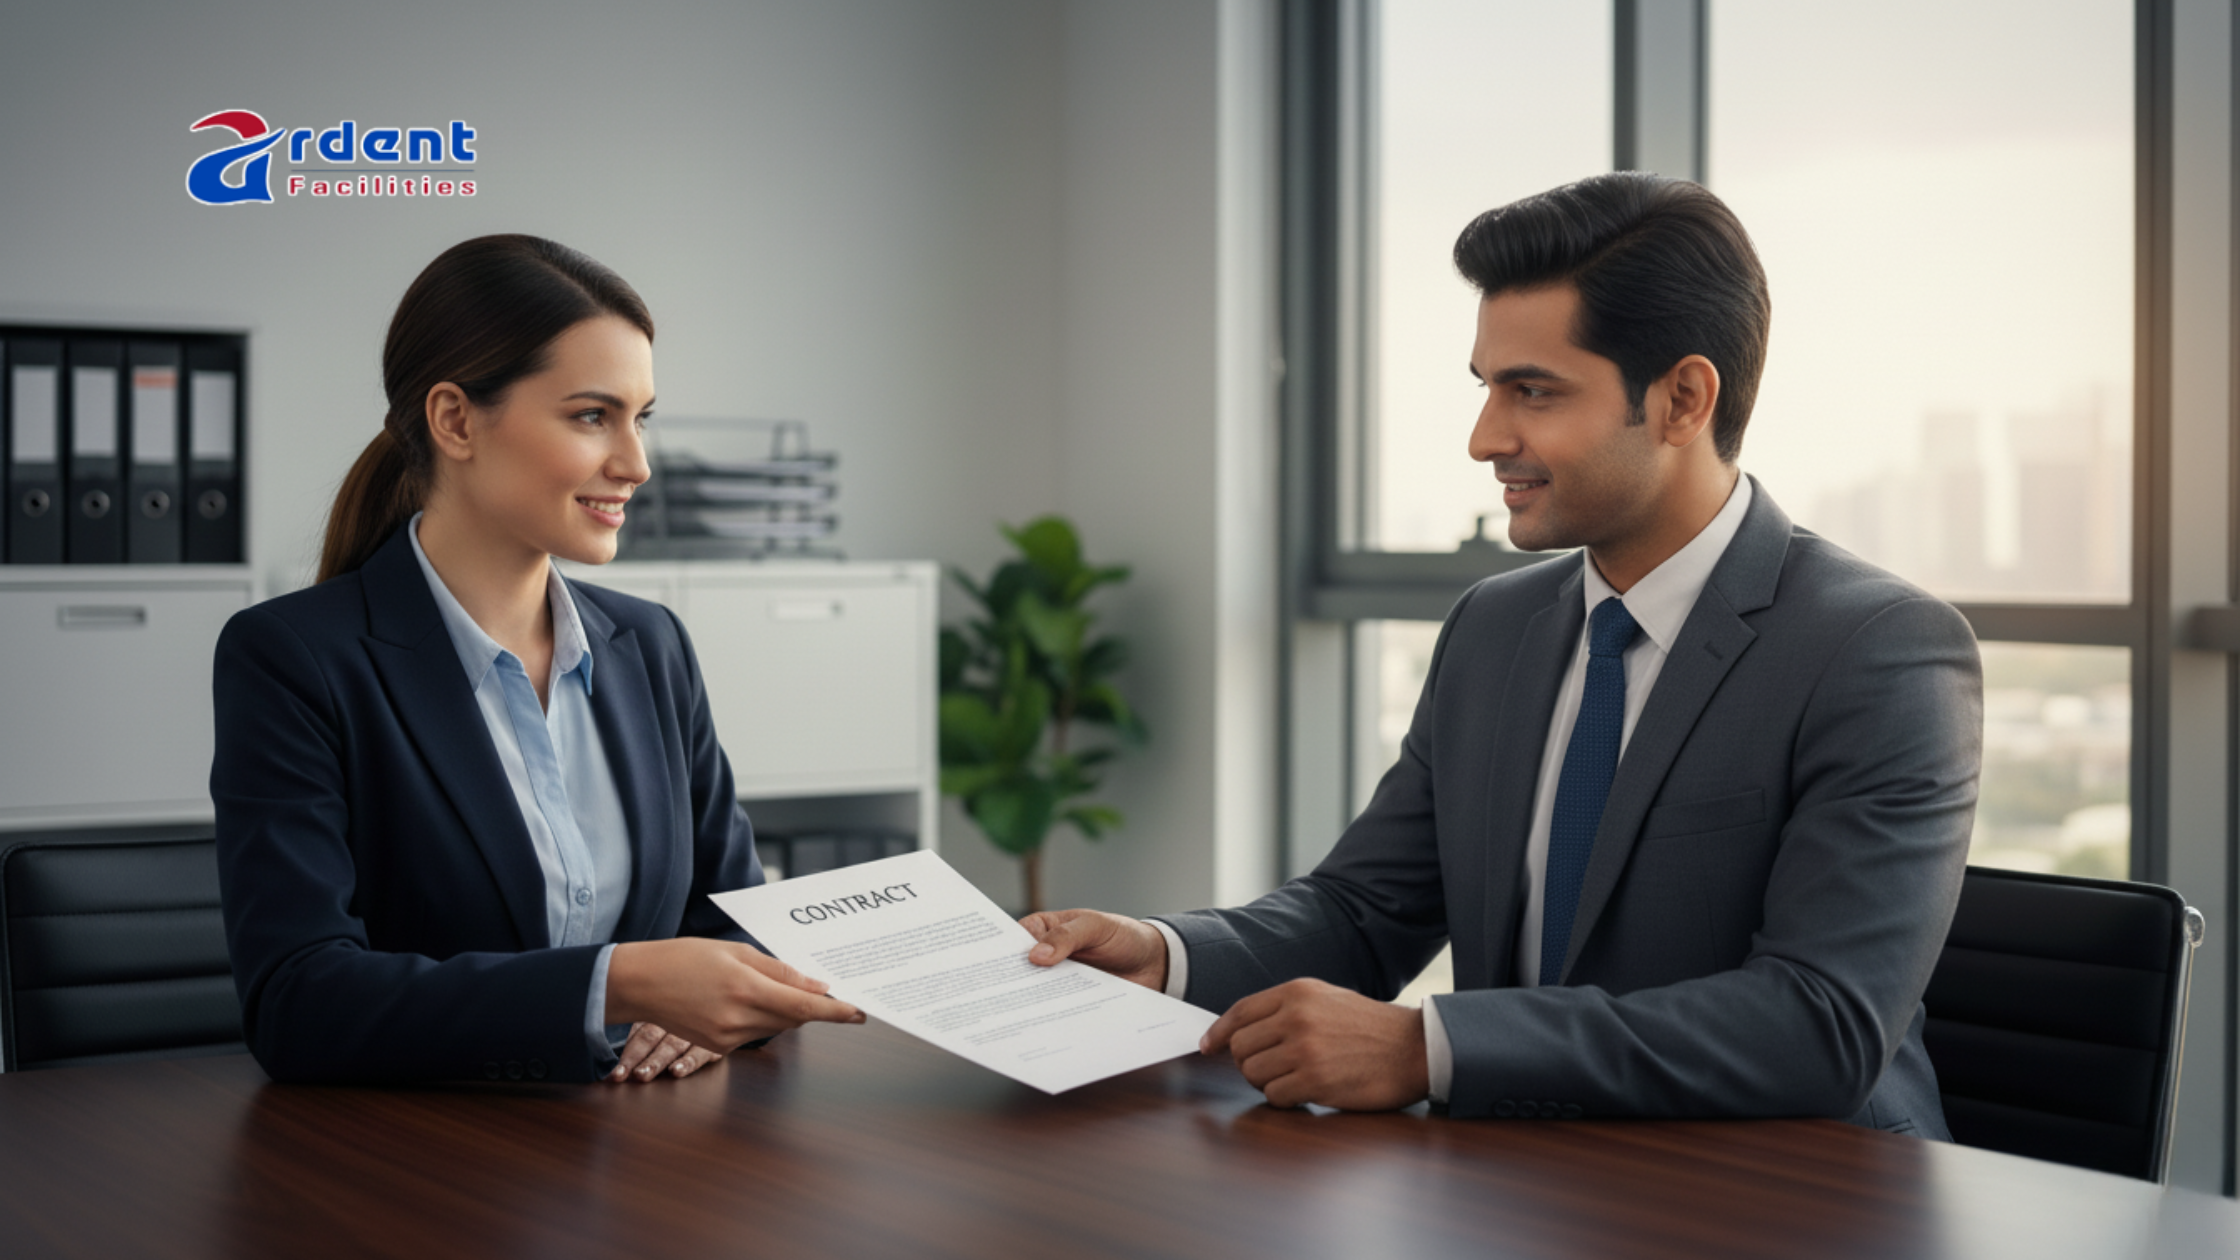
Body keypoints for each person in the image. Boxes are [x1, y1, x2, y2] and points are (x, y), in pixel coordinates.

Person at [1023, 173, 1982, 1135]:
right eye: (1488, 387)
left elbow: (1819, 1028)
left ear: (1684, 398)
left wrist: (1424, 1047)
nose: (1487, 438)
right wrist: (1161, 954)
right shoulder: (1494, 626)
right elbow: (1364, 911)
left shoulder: (1878, 653)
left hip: (1800, 1201)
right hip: (1526, 1180)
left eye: (1534, 391)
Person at [211, 235, 864, 1084]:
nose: (635, 464)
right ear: (455, 420)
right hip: (420, 1171)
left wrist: (719, 1020)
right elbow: (298, 1000)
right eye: (593, 416)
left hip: (644, 1157)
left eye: (641, 419)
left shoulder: (651, 645)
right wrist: (617, 983)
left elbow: (737, 921)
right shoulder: (295, 658)